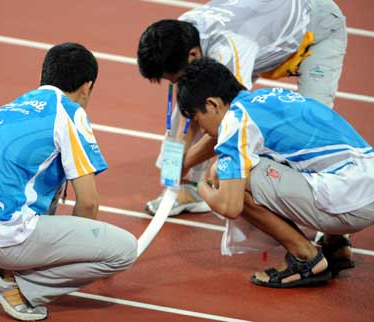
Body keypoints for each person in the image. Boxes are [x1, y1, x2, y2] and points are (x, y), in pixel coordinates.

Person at [0, 42, 137, 320]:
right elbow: (88, 202)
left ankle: (4, 270)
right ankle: (18, 287)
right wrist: (88, 254)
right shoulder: (69, 112)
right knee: (124, 250)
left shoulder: (14, 106)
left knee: (45, 181)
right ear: (87, 87)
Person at [175, 57, 374, 288]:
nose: (200, 128)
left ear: (212, 105)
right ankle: (336, 245)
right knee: (283, 156)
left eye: (196, 118)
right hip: (363, 182)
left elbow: (230, 206)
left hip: (350, 204)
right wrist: (185, 164)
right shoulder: (264, 100)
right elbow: (221, 137)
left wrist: (201, 185)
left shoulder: (235, 122)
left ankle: (305, 258)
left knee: (225, 176)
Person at [137, 0, 347, 217]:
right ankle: (189, 188)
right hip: (263, 33)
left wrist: (185, 162)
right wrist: (175, 164)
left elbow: (230, 124)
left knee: (311, 123)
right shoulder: (179, 33)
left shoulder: (227, 50)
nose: (174, 84)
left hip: (315, 29)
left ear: (193, 56)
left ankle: (337, 211)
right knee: (197, 102)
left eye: (176, 78)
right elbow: (187, 110)